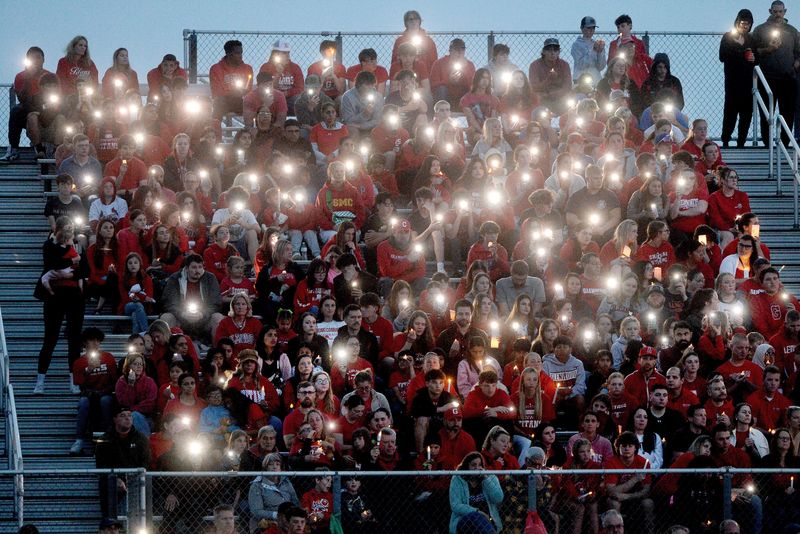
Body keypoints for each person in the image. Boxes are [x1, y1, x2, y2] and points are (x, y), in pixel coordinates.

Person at [33, 216, 88, 394]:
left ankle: (73, 380)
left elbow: (84, 268)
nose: (69, 232)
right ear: (58, 229)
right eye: (66, 228)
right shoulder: (49, 245)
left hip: (74, 296)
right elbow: (51, 265)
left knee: (74, 339)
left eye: (71, 228)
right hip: (55, 295)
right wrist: (70, 265)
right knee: (50, 338)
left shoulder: (78, 245)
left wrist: (67, 271)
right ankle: (40, 380)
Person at [95, 406, 151, 517]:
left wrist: (134, 477)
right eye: (122, 415)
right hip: (113, 480)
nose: (127, 418)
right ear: (115, 419)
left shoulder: (141, 439)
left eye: (129, 415)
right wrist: (116, 479)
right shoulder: (104, 439)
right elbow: (101, 464)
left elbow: (145, 462)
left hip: (136, 479)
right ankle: (110, 523)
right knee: (108, 485)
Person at [720, 10, 756, 147]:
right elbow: (722, 56)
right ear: (737, 22)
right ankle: (725, 140)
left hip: (748, 82)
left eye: (748, 24)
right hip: (732, 81)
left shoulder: (751, 39)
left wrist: (753, 58)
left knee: (746, 113)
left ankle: (742, 141)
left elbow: (757, 57)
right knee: (730, 112)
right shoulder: (728, 37)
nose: (745, 26)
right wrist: (741, 52)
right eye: (742, 23)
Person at [449, 451, 504, 533]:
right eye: (474, 465)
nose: (477, 468)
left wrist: (486, 479)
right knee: (475, 517)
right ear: (467, 466)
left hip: (488, 521)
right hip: (465, 520)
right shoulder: (458, 479)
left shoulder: (490, 477)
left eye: (480, 465)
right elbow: (455, 505)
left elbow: (498, 498)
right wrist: (477, 512)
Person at [248, 453, 300, 532]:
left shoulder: (286, 482)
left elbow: (295, 501)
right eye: (270, 464)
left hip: (288, 521)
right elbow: (256, 511)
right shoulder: (257, 485)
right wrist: (277, 515)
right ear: (265, 468)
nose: (274, 467)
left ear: (281, 468)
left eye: (277, 464)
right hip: (266, 523)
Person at [209, 39, 253, 119]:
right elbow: (217, 92)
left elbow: (248, 89)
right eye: (237, 53)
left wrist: (240, 93)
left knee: (254, 105)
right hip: (224, 102)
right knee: (218, 104)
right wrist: (233, 93)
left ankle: (249, 130)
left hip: (240, 101)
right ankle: (214, 130)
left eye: (241, 52)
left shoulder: (247, 68)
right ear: (228, 53)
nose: (240, 55)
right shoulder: (216, 68)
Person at [529, 38, 573, 116]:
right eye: (549, 50)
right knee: (536, 97)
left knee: (570, 98)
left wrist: (556, 80)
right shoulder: (535, 65)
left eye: (555, 50)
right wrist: (548, 79)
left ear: (559, 52)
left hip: (560, 97)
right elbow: (534, 87)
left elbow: (567, 86)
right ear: (544, 51)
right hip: (543, 97)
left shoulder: (564, 65)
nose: (552, 53)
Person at [572, 16, 606, 84]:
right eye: (588, 28)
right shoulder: (576, 44)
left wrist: (600, 52)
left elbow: (601, 66)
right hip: (580, 81)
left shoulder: (597, 43)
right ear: (581, 28)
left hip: (595, 80)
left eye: (593, 28)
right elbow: (581, 65)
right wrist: (593, 50)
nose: (591, 30)